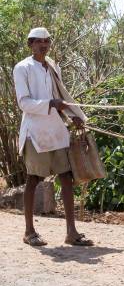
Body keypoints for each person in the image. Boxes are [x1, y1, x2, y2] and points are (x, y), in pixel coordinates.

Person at [13, 27, 94, 246]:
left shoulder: (52, 66)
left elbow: (60, 97)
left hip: (56, 130)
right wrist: (50, 104)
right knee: (34, 179)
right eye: (39, 41)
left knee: (66, 177)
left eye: (47, 41)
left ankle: (71, 232)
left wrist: (71, 116)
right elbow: (24, 103)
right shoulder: (22, 68)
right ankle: (29, 232)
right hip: (35, 132)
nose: (44, 45)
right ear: (30, 44)